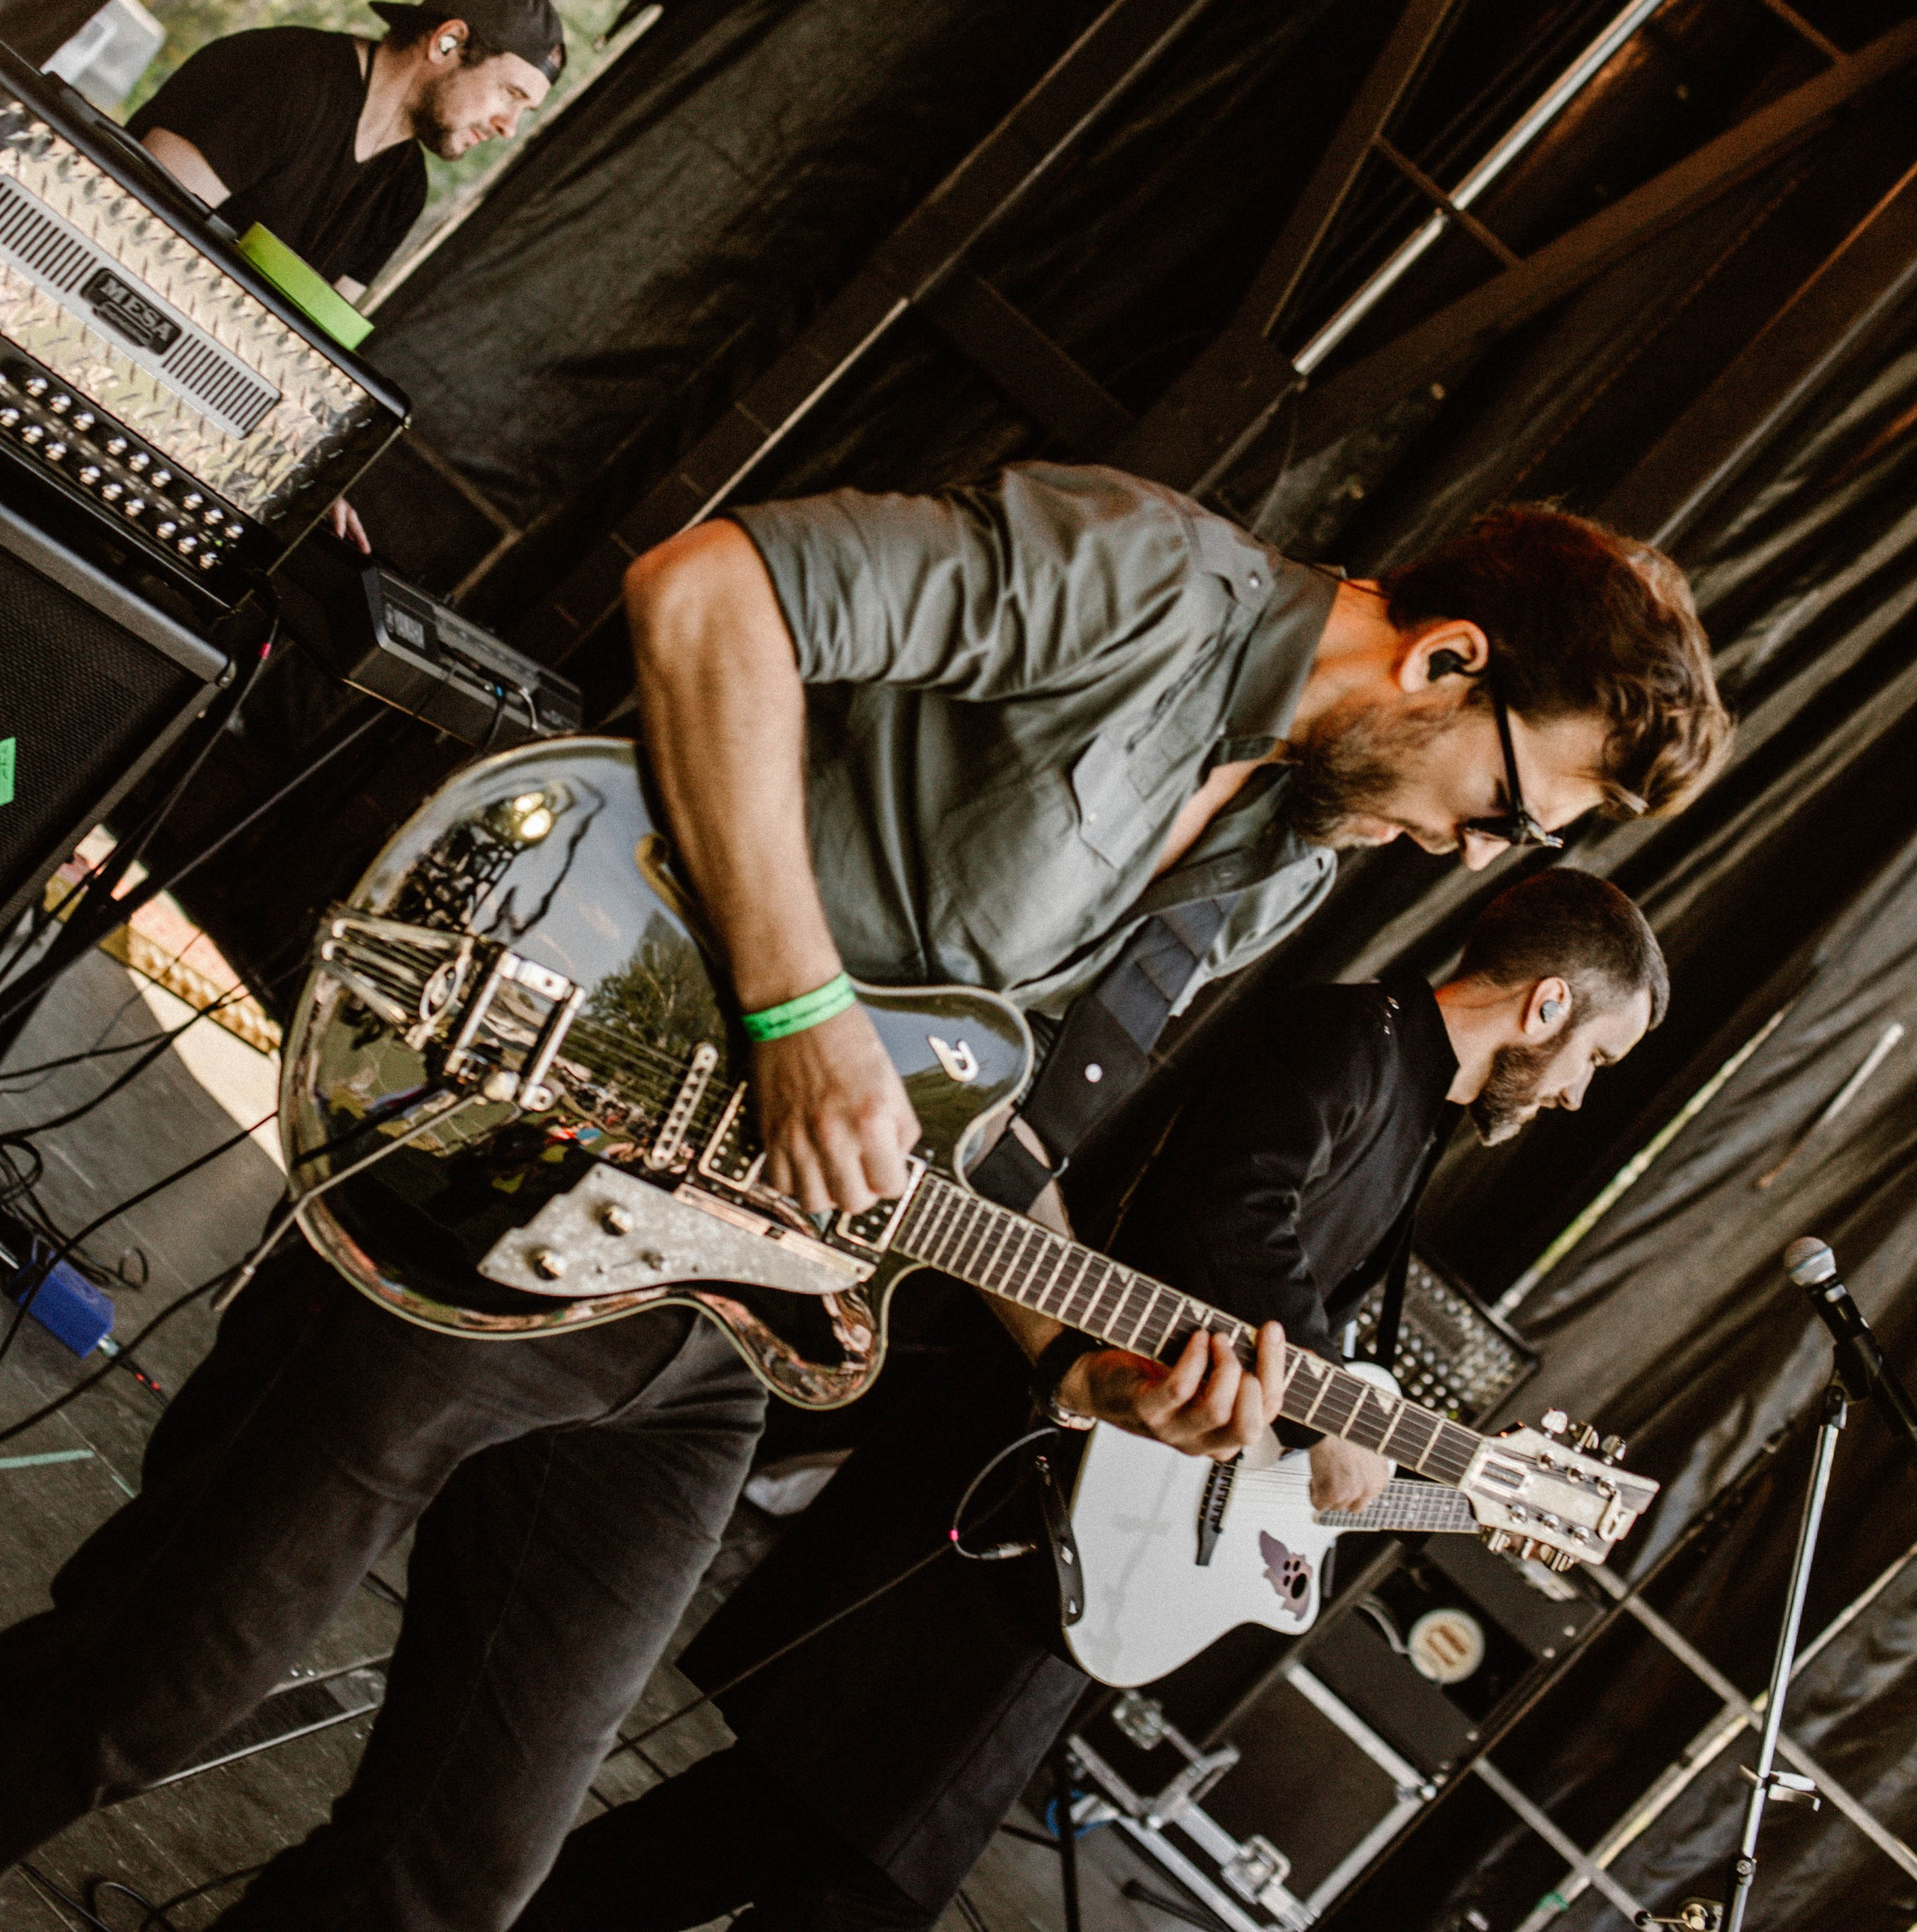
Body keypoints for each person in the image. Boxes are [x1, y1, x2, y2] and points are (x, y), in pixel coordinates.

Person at [0, 468, 1728, 1932]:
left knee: (458, 1868)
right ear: (1443, 657)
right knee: (150, 1687)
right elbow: (707, 591)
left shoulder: (1279, 860)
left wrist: (1083, 1358)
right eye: (1507, 812)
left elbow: (958, 1114)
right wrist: (792, 1002)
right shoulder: (1143, 578)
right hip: (527, 1146)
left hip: (713, 1328)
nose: (1471, 857)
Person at [515, 869, 1671, 1932]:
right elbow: (1226, 1209)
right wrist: (1330, 1409)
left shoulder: (1413, 1109)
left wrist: (1344, 1419)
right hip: (1036, 1470)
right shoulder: (1349, 1038)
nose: (1580, 1096)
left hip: (1108, 1515)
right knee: (829, 1849)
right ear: (1548, 1006)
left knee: (800, 1835)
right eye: (1598, 1059)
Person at [132, 0, 564, 546]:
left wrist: (300, 458)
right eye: (510, 94)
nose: (509, 127)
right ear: (447, 42)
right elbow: (132, 240)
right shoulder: (283, 76)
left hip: (189, 421)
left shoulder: (403, 191)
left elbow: (306, 354)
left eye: (525, 111)